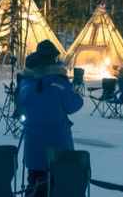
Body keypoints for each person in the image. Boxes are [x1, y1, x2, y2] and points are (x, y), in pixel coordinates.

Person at [19, 40, 83, 196]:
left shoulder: (26, 82)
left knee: (34, 185)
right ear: (54, 58)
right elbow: (75, 105)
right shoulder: (60, 82)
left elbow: (22, 103)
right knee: (59, 186)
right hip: (59, 145)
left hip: (33, 146)